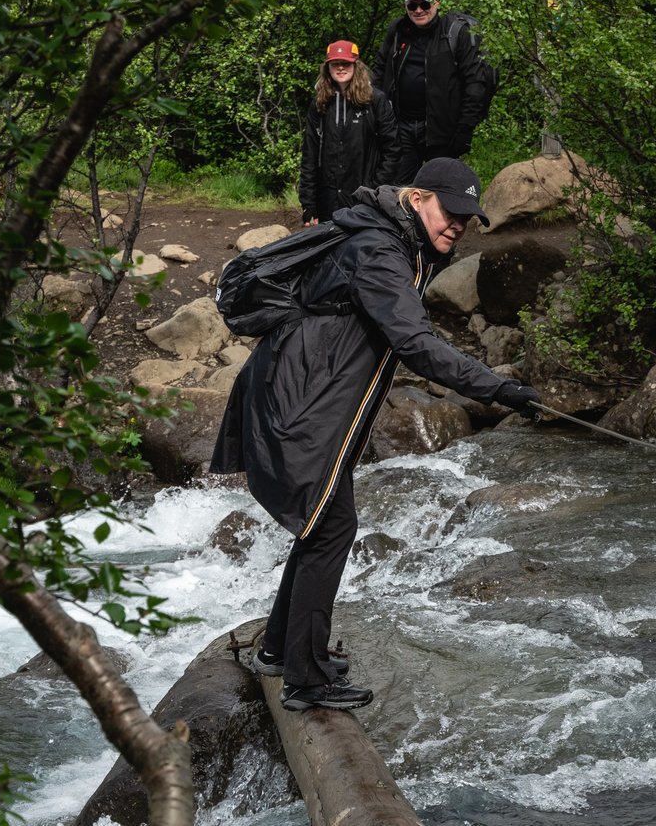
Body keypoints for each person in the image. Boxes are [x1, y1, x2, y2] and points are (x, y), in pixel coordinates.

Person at [210, 158, 540, 711]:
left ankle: (278, 649)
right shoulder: (381, 251)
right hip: (298, 400)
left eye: (467, 218)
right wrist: (498, 388)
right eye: (450, 211)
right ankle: (306, 679)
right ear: (417, 198)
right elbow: (416, 343)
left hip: (301, 391)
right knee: (330, 527)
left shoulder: (390, 240)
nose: (458, 225)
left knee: (323, 523)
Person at [371, 0, 497, 187]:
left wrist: (464, 130)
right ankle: (407, 221)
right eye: (412, 5)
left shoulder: (455, 32)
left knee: (440, 189)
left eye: (424, 4)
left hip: (442, 130)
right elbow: (379, 69)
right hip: (402, 127)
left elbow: (475, 83)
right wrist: (377, 113)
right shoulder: (398, 31)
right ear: (406, 6)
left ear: (437, 3)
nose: (418, 10)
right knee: (400, 191)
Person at [298, 40, 395, 227]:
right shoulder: (320, 103)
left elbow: (392, 150)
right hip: (328, 198)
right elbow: (309, 154)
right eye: (335, 64)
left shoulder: (375, 100)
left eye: (346, 63)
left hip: (364, 197)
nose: (340, 68)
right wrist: (308, 203)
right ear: (328, 68)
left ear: (356, 65)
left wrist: (374, 189)